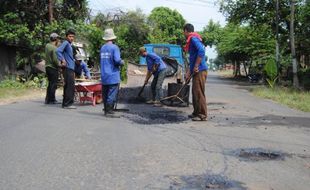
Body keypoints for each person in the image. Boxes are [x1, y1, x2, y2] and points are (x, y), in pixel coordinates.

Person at [183, 23, 208, 121]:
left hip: (200, 70)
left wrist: (197, 66)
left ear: (185, 31)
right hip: (196, 70)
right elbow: (192, 59)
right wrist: (188, 72)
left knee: (199, 92)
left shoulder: (193, 38)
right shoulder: (192, 40)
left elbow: (201, 51)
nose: (183, 34)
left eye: (183, 32)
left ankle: (202, 115)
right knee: (194, 92)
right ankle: (196, 112)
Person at [100, 28, 124, 116]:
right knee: (112, 93)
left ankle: (106, 110)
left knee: (105, 93)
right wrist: (122, 62)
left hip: (104, 75)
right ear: (113, 38)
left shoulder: (102, 48)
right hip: (113, 75)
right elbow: (117, 60)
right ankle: (109, 111)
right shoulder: (114, 47)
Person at [56, 29, 76, 109]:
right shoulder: (66, 43)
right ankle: (68, 104)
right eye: (70, 36)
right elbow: (58, 51)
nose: (71, 38)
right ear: (66, 37)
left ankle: (65, 103)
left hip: (70, 68)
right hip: (67, 68)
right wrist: (62, 60)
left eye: (73, 37)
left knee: (68, 86)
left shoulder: (70, 45)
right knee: (69, 86)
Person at [45, 33, 61, 104]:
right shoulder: (54, 48)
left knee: (50, 83)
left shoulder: (47, 46)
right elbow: (55, 60)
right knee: (53, 84)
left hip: (47, 67)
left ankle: (47, 99)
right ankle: (52, 99)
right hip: (53, 67)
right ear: (56, 39)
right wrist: (60, 65)